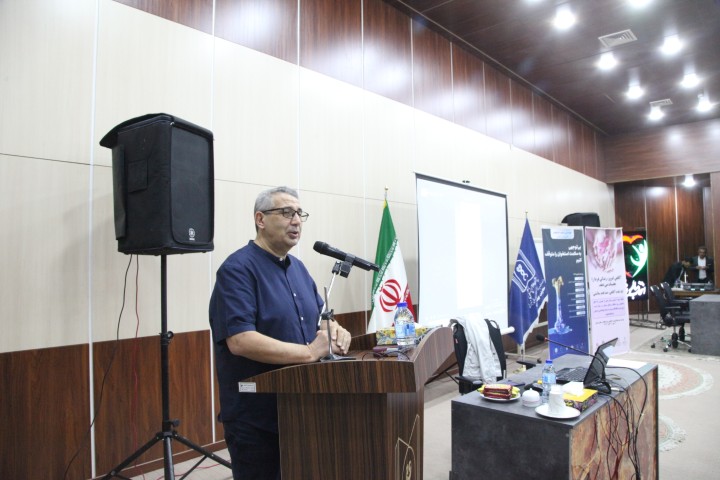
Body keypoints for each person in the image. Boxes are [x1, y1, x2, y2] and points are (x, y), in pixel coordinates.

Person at [209, 186, 352, 480]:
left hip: (301, 406)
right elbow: (240, 340)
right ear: (260, 219)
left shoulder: (298, 268)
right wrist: (310, 352)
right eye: (287, 213)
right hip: (256, 416)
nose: (296, 220)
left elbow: (320, 317)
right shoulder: (237, 269)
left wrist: (334, 329)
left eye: (299, 213)